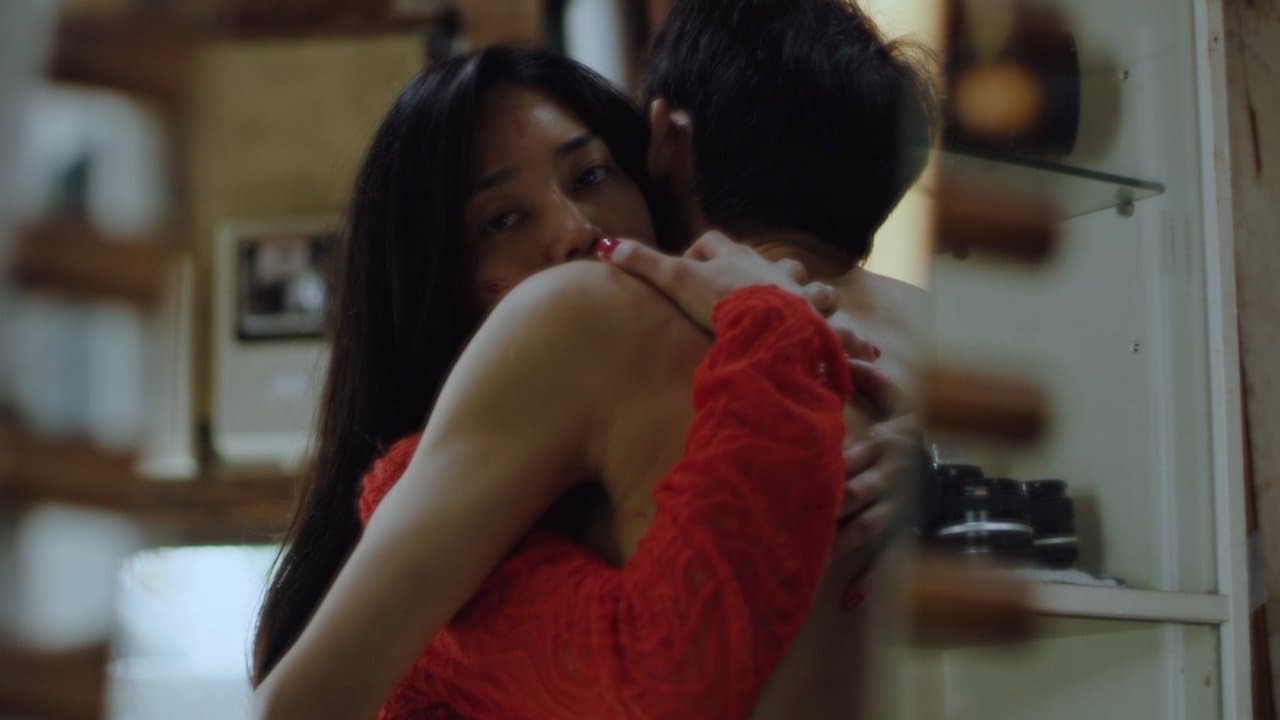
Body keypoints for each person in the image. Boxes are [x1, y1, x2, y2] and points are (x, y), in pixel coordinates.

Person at [253, 0, 935, 715]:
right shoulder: (587, 330)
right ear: (431, 280)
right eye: (502, 220)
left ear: (654, 160)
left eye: (591, 176)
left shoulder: (665, 353)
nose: (576, 230)